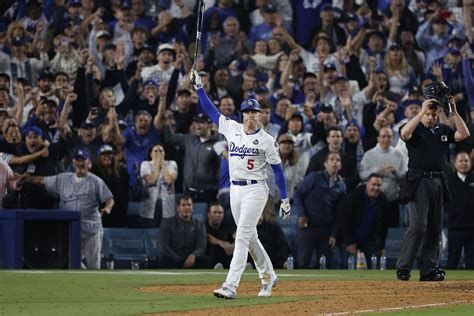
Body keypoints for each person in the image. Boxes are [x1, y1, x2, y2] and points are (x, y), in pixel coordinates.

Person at [191, 70, 291, 299]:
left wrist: (284, 199)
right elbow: (210, 110)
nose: (251, 115)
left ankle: (230, 285)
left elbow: (278, 171)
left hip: (256, 189)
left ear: (260, 115)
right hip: (235, 189)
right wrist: (199, 89)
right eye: (247, 112)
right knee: (251, 237)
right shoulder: (232, 128)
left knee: (242, 235)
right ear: (242, 114)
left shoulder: (267, 140)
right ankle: (269, 276)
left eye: (254, 112)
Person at [396, 90, 470, 281]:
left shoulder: (442, 130)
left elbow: (464, 133)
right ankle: (404, 267)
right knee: (419, 225)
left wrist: (453, 109)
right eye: (428, 114)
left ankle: (429, 269)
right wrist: (420, 112)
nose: (430, 117)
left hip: (438, 180)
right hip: (419, 180)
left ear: (437, 116)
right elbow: (404, 133)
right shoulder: (416, 128)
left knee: (435, 227)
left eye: (433, 114)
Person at [23, 149, 114, 269]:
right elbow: (42, 180)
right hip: (71, 230)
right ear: (73, 162)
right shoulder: (63, 179)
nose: (80, 163)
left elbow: (109, 199)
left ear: (89, 163)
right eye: (77, 160)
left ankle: (95, 287)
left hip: (91, 230)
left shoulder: (96, 181)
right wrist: (24, 178)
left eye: (83, 160)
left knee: (94, 265)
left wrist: (107, 208)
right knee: (72, 263)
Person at [293, 152, 346, 268]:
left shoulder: (341, 186)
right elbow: (297, 193)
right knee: (303, 262)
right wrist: (302, 214)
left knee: (326, 264)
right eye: (332, 159)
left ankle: (323, 287)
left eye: (338, 160)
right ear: (325, 164)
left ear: (341, 165)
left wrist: (334, 233)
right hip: (307, 227)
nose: (335, 162)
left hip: (326, 229)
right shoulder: (314, 177)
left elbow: (339, 213)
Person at [338, 173, 390, 269]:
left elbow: (384, 226)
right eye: (373, 184)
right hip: (352, 239)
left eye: (378, 185)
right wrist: (349, 242)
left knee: (372, 269)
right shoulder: (353, 197)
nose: (376, 188)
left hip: (371, 242)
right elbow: (344, 220)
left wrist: (382, 246)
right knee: (348, 268)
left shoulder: (383, 201)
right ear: (367, 184)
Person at [158, 195, 211, 268]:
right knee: (164, 260)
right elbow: (163, 246)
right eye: (183, 205)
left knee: (206, 260)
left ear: (193, 208)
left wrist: (193, 255)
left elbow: (201, 246)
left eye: (189, 205)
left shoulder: (199, 225)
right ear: (178, 208)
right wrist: (177, 259)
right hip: (173, 258)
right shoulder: (167, 223)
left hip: (192, 259)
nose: (187, 208)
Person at [446, 152, 474, 269]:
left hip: (473, 229)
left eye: (466, 161)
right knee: (452, 261)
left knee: (472, 263)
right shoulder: (448, 181)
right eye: (461, 161)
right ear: (455, 163)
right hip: (455, 227)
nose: (463, 163)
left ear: (470, 163)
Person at [139, 144, 177, 227]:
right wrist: (156, 164)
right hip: (149, 205)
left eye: (161, 151)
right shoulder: (145, 164)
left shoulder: (171, 163)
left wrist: (162, 164)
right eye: (155, 151)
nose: (158, 153)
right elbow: (151, 180)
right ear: (151, 154)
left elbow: (169, 180)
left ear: (164, 153)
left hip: (167, 206)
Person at [205, 203, 235, 269]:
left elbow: (237, 235)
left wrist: (233, 245)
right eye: (215, 212)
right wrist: (221, 243)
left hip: (227, 255)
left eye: (220, 213)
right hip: (210, 256)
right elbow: (206, 236)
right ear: (209, 214)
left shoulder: (228, 226)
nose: (218, 215)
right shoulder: (203, 226)